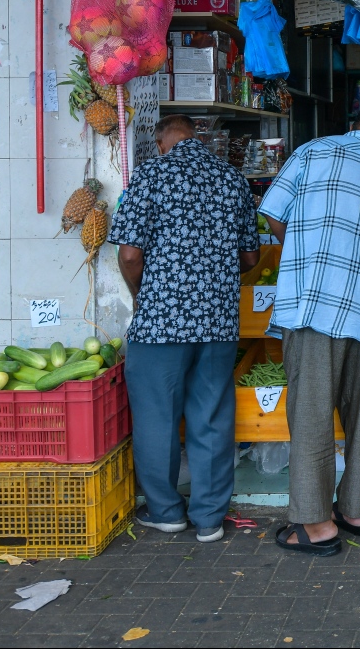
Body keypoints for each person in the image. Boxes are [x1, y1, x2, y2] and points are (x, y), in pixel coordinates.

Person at [258, 98, 360, 557]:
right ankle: (354, 513)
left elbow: (272, 209)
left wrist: (301, 251)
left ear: (356, 125)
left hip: (311, 306)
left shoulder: (312, 151)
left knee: (311, 416)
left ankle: (315, 525)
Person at [111, 114, 259, 544]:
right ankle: (210, 518)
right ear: (195, 138)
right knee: (211, 416)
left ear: (161, 141)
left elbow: (129, 254)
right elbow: (250, 259)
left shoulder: (152, 173)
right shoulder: (232, 178)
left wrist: (141, 294)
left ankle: (166, 512)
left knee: (156, 417)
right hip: (217, 322)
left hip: (160, 322)